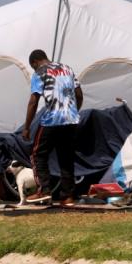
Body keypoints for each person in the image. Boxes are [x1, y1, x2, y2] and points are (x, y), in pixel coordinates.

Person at [21, 49, 83, 206]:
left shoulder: (39, 72)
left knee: (37, 154)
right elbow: (79, 94)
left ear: (35, 62)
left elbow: (33, 101)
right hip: (71, 120)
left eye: (33, 66)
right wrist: (73, 112)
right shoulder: (67, 69)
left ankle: (44, 190)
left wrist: (27, 127)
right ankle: (67, 197)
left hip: (52, 119)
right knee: (66, 157)